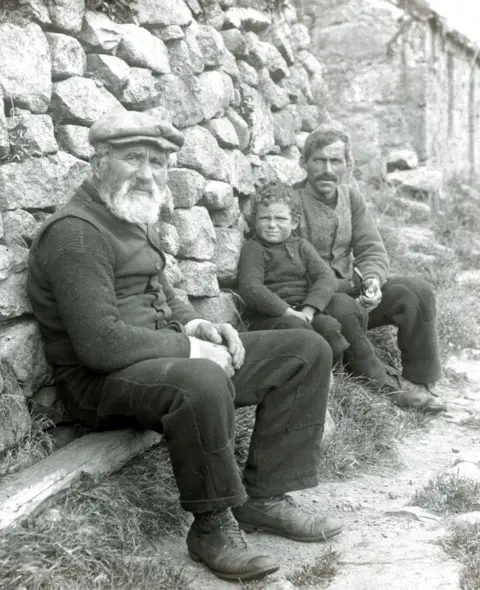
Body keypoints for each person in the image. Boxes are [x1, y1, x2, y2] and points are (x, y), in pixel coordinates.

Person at [27, 111, 343, 582]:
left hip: (157, 360)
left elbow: (164, 293)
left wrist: (200, 324)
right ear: (98, 163)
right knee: (203, 377)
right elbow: (99, 345)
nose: (147, 173)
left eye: (157, 162)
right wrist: (192, 350)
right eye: (133, 158)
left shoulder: (127, 213)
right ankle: (212, 526)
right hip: (102, 385)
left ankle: (266, 499)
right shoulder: (76, 233)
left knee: (306, 349)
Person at [294, 120, 446, 414]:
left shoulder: (350, 197)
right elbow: (291, 271)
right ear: (304, 163)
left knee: (415, 291)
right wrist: (351, 286)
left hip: (352, 293)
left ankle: (421, 382)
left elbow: (370, 247)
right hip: (314, 303)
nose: (327, 169)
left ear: (347, 165)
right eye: (319, 160)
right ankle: (388, 386)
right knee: (342, 307)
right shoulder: (291, 201)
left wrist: (373, 280)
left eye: (336, 161)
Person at [238, 180, 352, 366]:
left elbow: (326, 277)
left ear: (294, 222)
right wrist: (288, 312)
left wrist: (309, 310)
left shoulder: (301, 247)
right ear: (255, 219)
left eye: (280, 219)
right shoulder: (254, 248)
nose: (271, 225)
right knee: (297, 328)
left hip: (302, 310)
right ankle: (306, 372)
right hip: (269, 316)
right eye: (264, 218)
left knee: (329, 326)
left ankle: (332, 374)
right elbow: (252, 288)